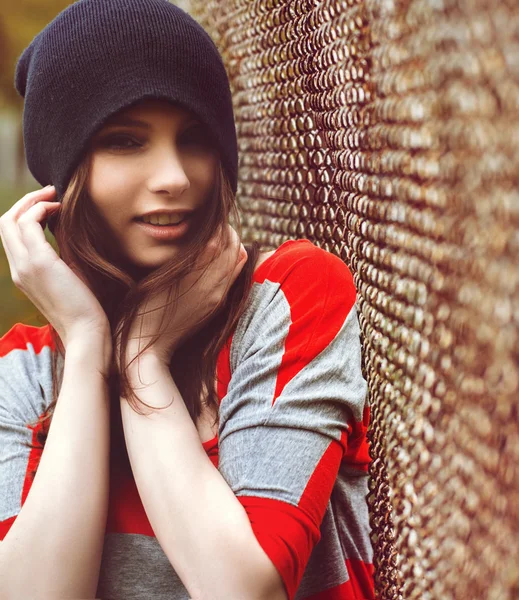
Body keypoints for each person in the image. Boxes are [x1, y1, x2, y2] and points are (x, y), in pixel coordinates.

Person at [0, 1, 374, 599]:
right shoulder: (22, 375)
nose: (173, 176)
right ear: (58, 181)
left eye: (195, 139)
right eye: (126, 141)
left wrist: (142, 357)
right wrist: (92, 344)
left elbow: (242, 589)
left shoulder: (289, 298)